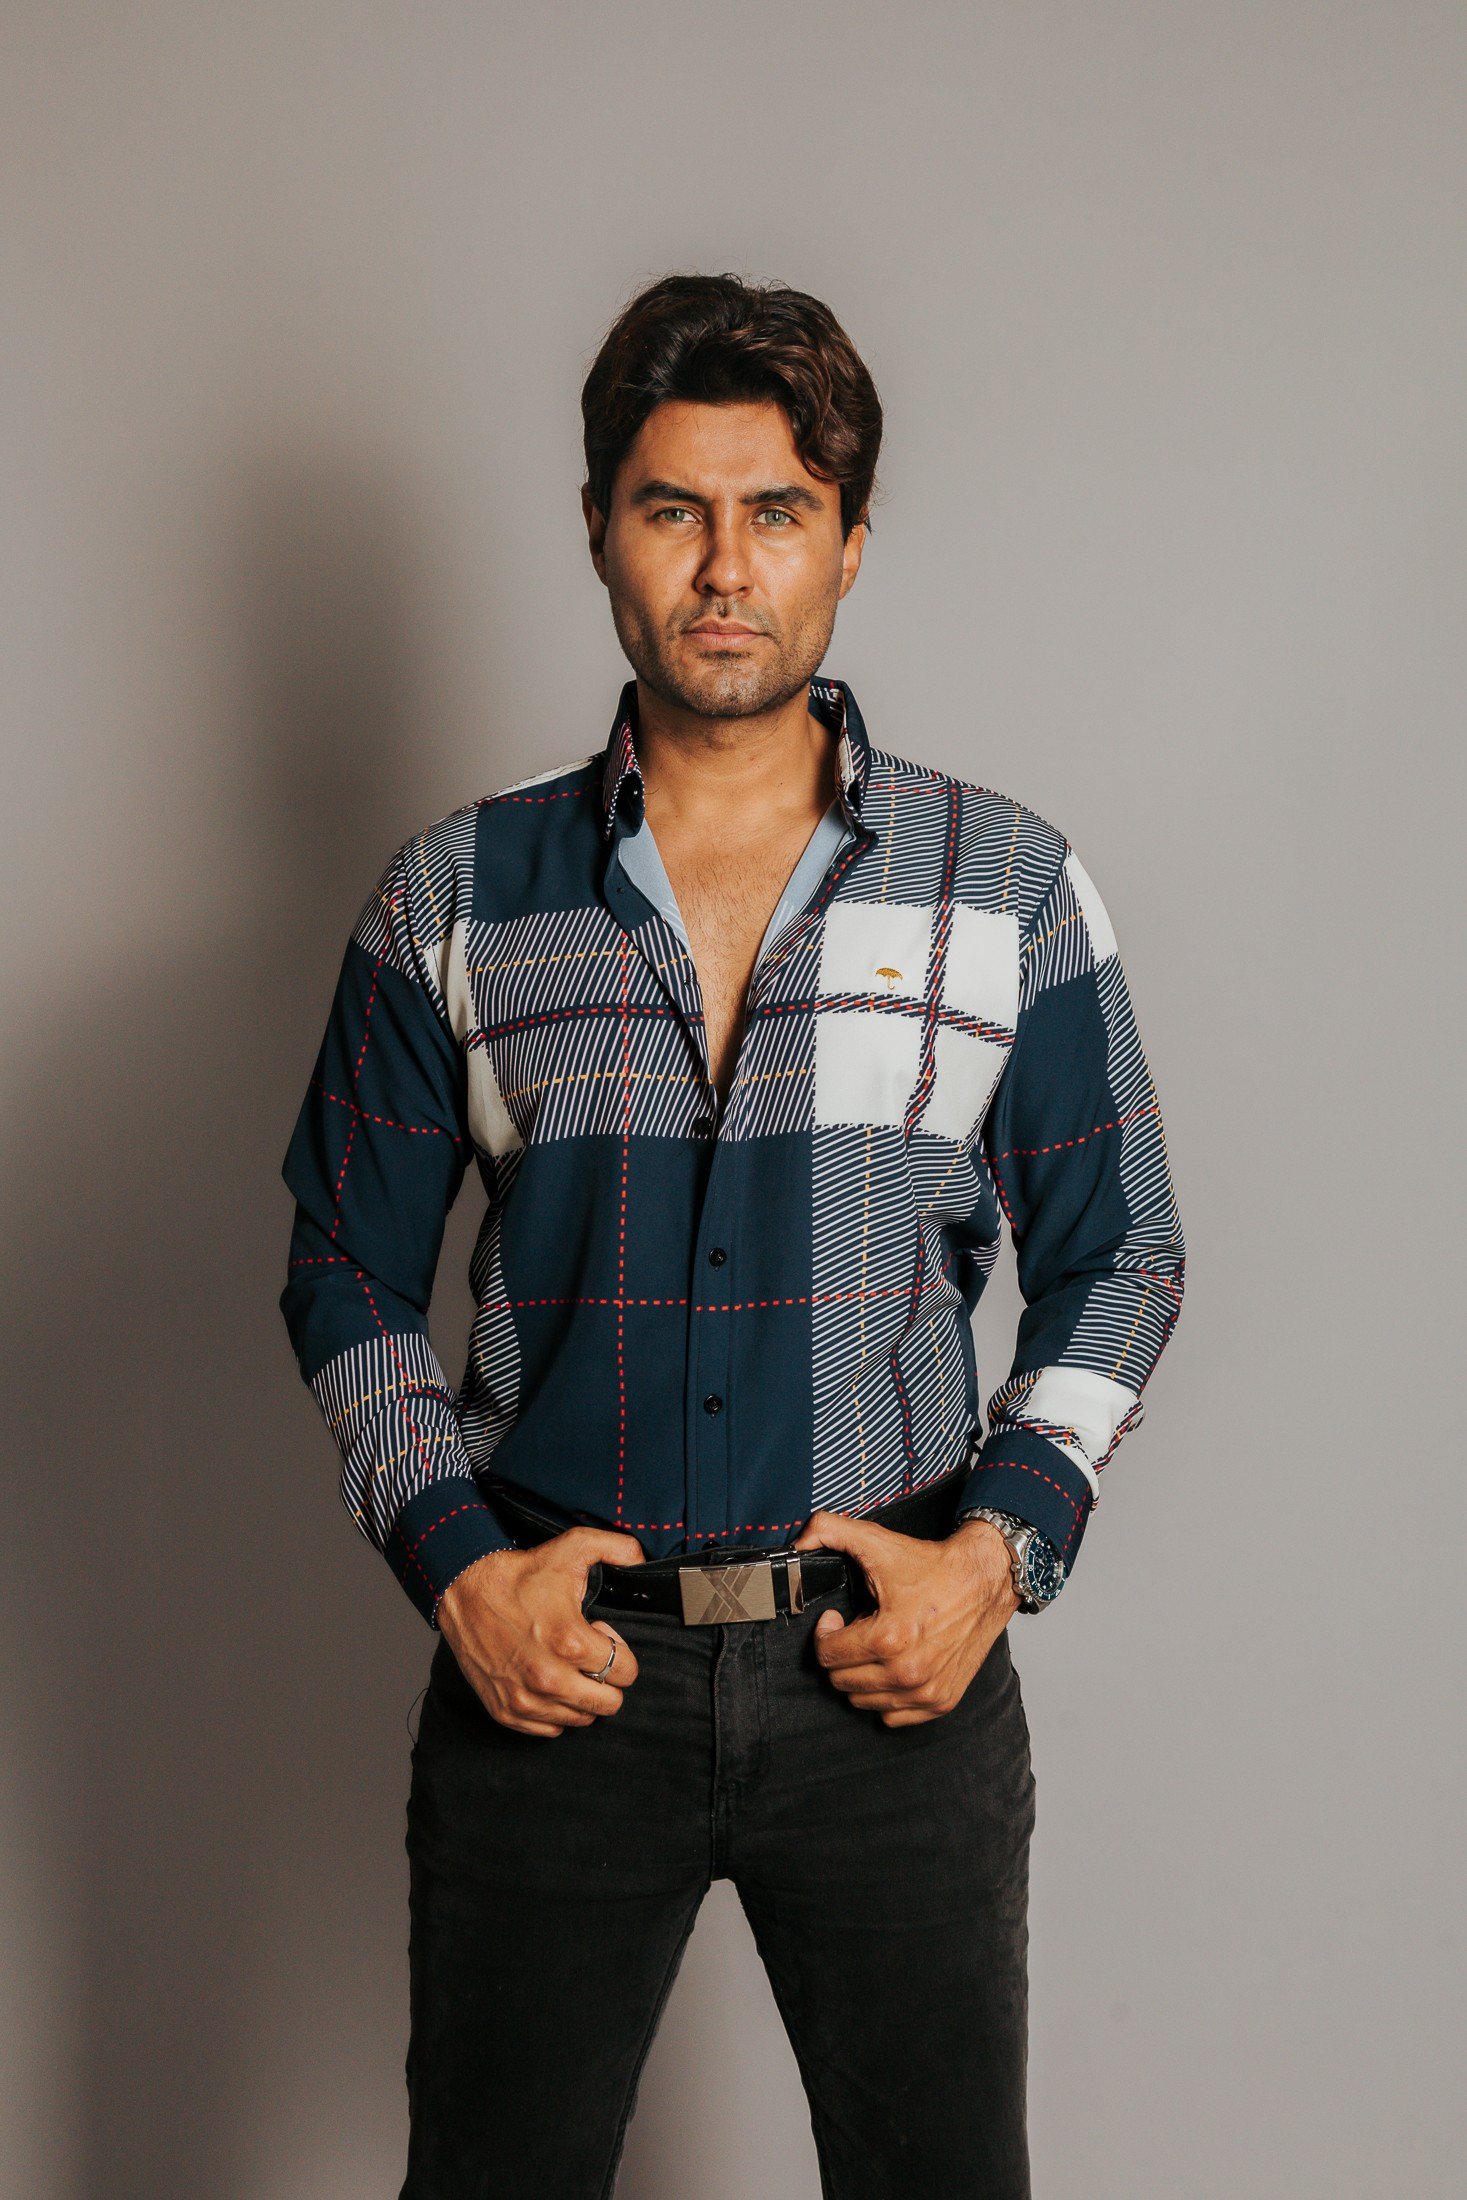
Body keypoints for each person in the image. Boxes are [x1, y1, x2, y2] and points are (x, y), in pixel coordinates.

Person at [277, 270, 1185, 2200]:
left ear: (849, 542)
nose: (724, 567)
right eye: (672, 508)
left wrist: (999, 1556)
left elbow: (1125, 1253)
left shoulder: (1007, 886)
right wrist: (456, 1569)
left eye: (777, 511)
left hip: (888, 1674)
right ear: (598, 528)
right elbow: (340, 1264)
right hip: (553, 1678)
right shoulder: (454, 895)